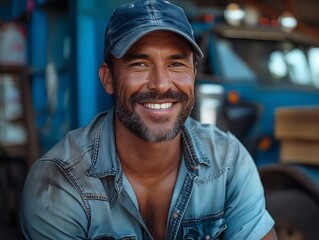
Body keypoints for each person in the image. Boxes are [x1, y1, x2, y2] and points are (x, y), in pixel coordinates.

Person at [20, 0, 277, 239]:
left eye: (176, 64)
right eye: (140, 64)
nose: (162, 84)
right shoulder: (59, 181)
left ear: (194, 74)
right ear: (108, 78)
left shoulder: (228, 162)